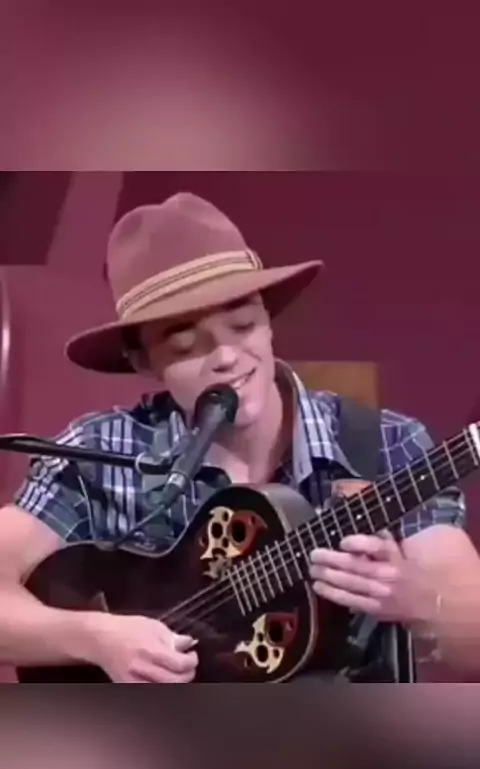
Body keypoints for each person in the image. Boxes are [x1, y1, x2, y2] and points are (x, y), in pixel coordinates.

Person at [0, 192, 479, 683]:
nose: (227, 358)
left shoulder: (385, 444)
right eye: (186, 346)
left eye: (243, 325)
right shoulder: (101, 454)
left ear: (268, 321)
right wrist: (95, 638)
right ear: (143, 361)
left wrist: (420, 602)